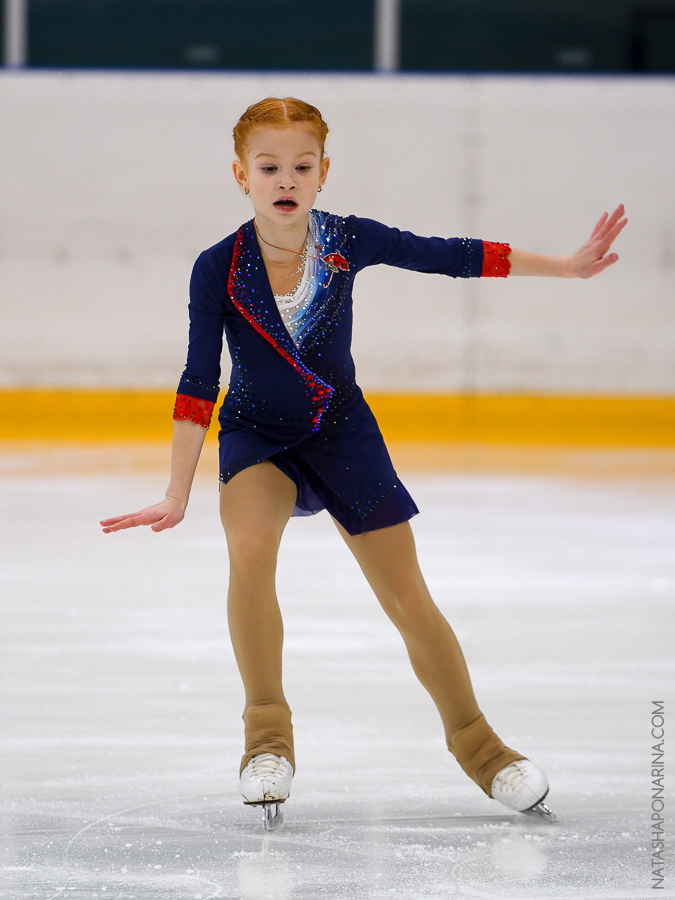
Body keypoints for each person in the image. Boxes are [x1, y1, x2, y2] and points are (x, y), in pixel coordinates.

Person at [101, 97, 626, 828]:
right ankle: (266, 741)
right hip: (255, 436)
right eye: (268, 167)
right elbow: (198, 381)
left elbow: (451, 255)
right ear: (240, 175)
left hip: (344, 435)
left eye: (301, 166)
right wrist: (175, 489)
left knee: (406, 595)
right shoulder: (216, 267)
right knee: (248, 551)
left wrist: (565, 269)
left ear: (323, 173)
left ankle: (482, 749)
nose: (285, 178)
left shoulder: (347, 240)